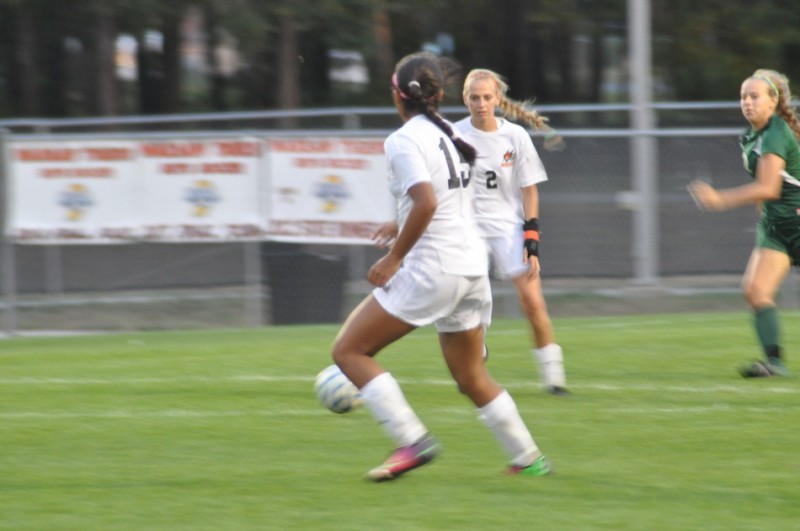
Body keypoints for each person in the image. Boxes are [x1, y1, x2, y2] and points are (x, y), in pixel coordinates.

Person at [331, 52, 552, 481]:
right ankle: (529, 458)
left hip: (433, 267)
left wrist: (394, 258)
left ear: (398, 96)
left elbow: (428, 201)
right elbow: (445, 198)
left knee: (348, 351)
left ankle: (411, 441)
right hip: (472, 267)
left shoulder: (403, 140)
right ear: (442, 95)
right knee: (471, 375)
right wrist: (399, 221)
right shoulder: (450, 130)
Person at [454, 68, 568, 395]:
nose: (481, 103)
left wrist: (531, 236)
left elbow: (529, 189)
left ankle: (554, 379)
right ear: (465, 100)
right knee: (467, 300)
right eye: (474, 98)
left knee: (532, 302)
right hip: (467, 229)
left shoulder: (515, 136)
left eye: (487, 97)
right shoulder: (452, 134)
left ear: (497, 99)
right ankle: (475, 355)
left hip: (508, 227)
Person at [688, 68, 800, 378]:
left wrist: (718, 199)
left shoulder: (776, 132)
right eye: (743, 97)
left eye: (754, 96)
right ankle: (775, 364)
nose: (747, 102)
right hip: (777, 228)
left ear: (772, 102)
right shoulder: (753, 135)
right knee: (755, 289)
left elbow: (769, 187)